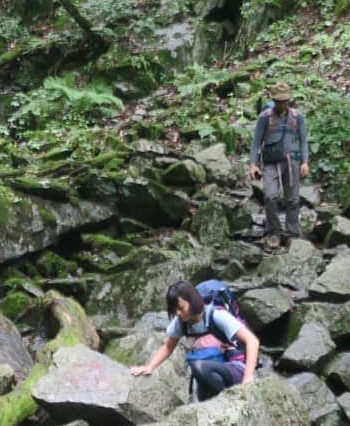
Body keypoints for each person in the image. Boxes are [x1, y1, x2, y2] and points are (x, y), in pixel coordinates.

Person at [130, 280, 259, 402]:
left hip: (235, 368)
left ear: (192, 301)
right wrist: (150, 367)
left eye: (181, 308)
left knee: (199, 366)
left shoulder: (216, 315)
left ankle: (228, 401)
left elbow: (252, 341)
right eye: (174, 310)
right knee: (202, 389)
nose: (178, 313)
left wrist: (248, 379)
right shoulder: (181, 322)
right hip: (210, 372)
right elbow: (168, 347)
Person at [249, 83, 310, 252]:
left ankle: (292, 234)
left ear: (289, 100)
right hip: (270, 162)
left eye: (285, 101)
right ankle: (273, 232)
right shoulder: (265, 117)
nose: (282, 104)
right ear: (273, 100)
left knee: (292, 199)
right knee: (270, 196)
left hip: (292, 162)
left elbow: (303, 141)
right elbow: (256, 143)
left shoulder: (298, 117)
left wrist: (305, 162)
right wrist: (253, 164)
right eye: (278, 101)